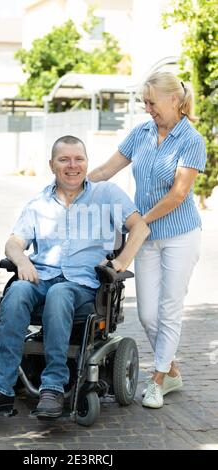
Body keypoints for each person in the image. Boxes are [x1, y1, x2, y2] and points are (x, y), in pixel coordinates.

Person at [0, 135, 150, 418]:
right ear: (52, 165)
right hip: (41, 279)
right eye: (64, 159)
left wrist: (120, 261)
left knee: (60, 293)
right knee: (16, 291)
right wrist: (21, 261)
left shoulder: (106, 195)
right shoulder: (38, 204)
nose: (72, 165)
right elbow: (13, 242)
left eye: (79, 159)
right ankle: (0, 389)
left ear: (86, 163)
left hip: (82, 288)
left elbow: (140, 228)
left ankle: (52, 387)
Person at [88, 71, 207, 409]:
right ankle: (171, 369)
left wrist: (140, 221)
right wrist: (74, 184)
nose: (148, 109)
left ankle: (157, 381)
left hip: (180, 235)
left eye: (152, 102)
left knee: (169, 309)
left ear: (174, 100)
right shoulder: (141, 132)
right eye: (145, 102)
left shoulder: (191, 140)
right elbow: (107, 170)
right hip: (146, 236)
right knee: (147, 314)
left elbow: (178, 194)